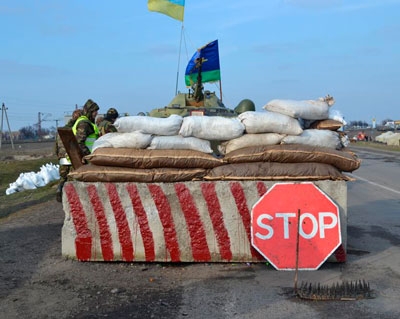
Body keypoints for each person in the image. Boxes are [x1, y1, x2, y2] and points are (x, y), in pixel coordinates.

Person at [55, 108, 82, 202]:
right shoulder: (75, 129)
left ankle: (59, 189)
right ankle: (70, 197)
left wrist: (58, 155)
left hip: (62, 158)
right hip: (70, 158)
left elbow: (56, 146)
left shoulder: (61, 130)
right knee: (71, 178)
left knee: (63, 177)